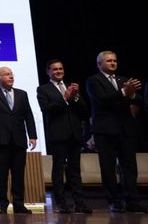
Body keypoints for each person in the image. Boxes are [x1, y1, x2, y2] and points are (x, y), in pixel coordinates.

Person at [85, 51, 146, 213]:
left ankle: (132, 201)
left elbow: (139, 100)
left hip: (125, 129)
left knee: (129, 167)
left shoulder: (124, 80)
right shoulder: (93, 81)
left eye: (115, 60)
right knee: (108, 168)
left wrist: (131, 94)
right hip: (105, 130)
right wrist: (125, 92)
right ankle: (114, 201)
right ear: (99, 64)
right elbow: (102, 100)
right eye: (109, 61)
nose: (113, 63)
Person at [0, 66, 37, 214]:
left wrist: (32, 136)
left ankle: (19, 204)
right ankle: (2, 204)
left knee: (18, 174)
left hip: (19, 139)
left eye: (11, 74)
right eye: (6, 74)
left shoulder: (22, 94)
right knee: (1, 173)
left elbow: (28, 115)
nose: (11, 76)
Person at [37, 59, 92, 214]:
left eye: (61, 68)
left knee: (75, 170)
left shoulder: (71, 87)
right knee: (58, 169)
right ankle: (61, 203)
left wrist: (75, 96)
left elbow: (84, 110)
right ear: (48, 72)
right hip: (58, 135)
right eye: (55, 69)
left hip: (74, 134)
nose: (59, 71)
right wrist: (65, 98)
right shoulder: (43, 89)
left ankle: (79, 203)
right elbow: (47, 110)